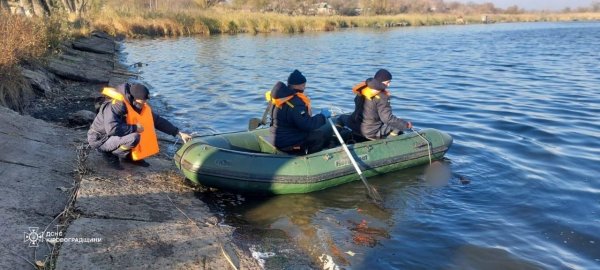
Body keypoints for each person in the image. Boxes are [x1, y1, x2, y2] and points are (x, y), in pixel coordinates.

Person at [87, 83, 192, 170]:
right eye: (142, 102)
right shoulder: (115, 106)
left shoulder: (139, 105)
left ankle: (128, 158)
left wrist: (178, 133)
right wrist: (134, 128)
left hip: (113, 137)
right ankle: (110, 155)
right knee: (134, 137)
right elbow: (112, 129)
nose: (144, 104)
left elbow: (158, 121)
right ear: (133, 98)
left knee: (138, 133)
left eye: (145, 101)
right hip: (100, 139)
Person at [268, 69, 332, 154]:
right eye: (304, 85)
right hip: (289, 144)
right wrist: (322, 116)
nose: (305, 87)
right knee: (319, 136)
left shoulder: (279, 98)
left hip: (275, 138)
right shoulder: (296, 103)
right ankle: (309, 159)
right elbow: (307, 125)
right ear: (301, 85)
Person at [342, 69, 412, 140]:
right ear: (381, 81)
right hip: (370, 132)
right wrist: (405, 124)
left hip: (356, 126)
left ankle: (335, 138)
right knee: (398, 126)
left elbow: (357, 103)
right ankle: (387, 144)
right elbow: (387, 118)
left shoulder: (363, 89)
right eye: (387, 82)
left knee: (341, 118)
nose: (389, 85)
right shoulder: (382, 96)